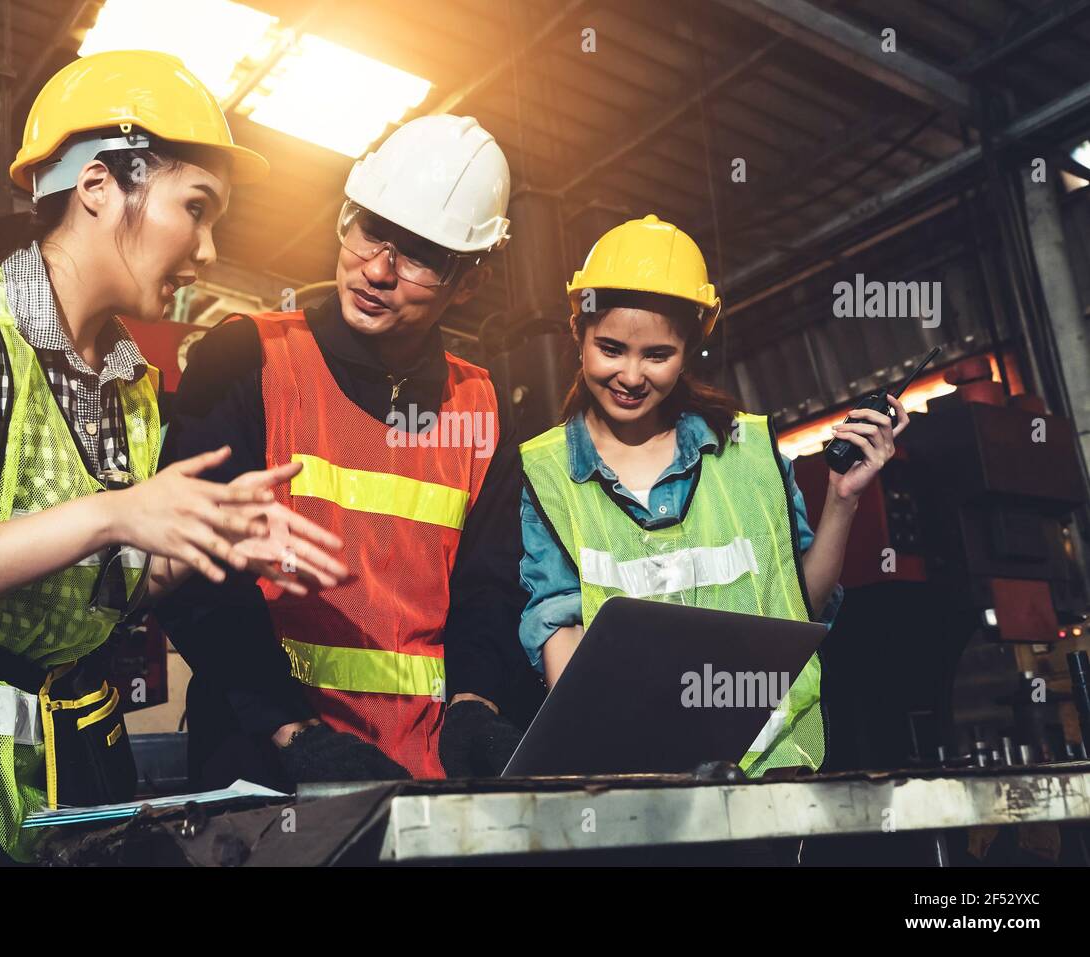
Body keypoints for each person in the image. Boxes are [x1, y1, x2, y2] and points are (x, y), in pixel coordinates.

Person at [0, 50, 346, 866]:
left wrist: (192, 550)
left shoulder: (128, 385)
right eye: (196, 207)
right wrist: (117, 512)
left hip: (15, 725)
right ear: (97, 186)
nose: (209, 248)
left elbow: (97, 593)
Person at [159, 114, 534, 787]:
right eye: (370, 231)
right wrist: (288, 730)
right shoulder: (247, 359)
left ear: (469, 282)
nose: (378, 270)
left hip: (427, 771)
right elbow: (193, 571)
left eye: (419, 254)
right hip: (263, 761)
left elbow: (489, 587)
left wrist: (477, 705)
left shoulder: (482, 405)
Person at [518, 214, 908, 776]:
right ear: (576, 334)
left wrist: (842, 500)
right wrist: (616, 747)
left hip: (774, 775)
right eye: (610, 348)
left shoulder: (748, 451)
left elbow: (804, 608)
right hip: (636, 783)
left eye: (657, 354)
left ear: (689, 349)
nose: (631, 375)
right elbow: (556, 628)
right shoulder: (548, 471)